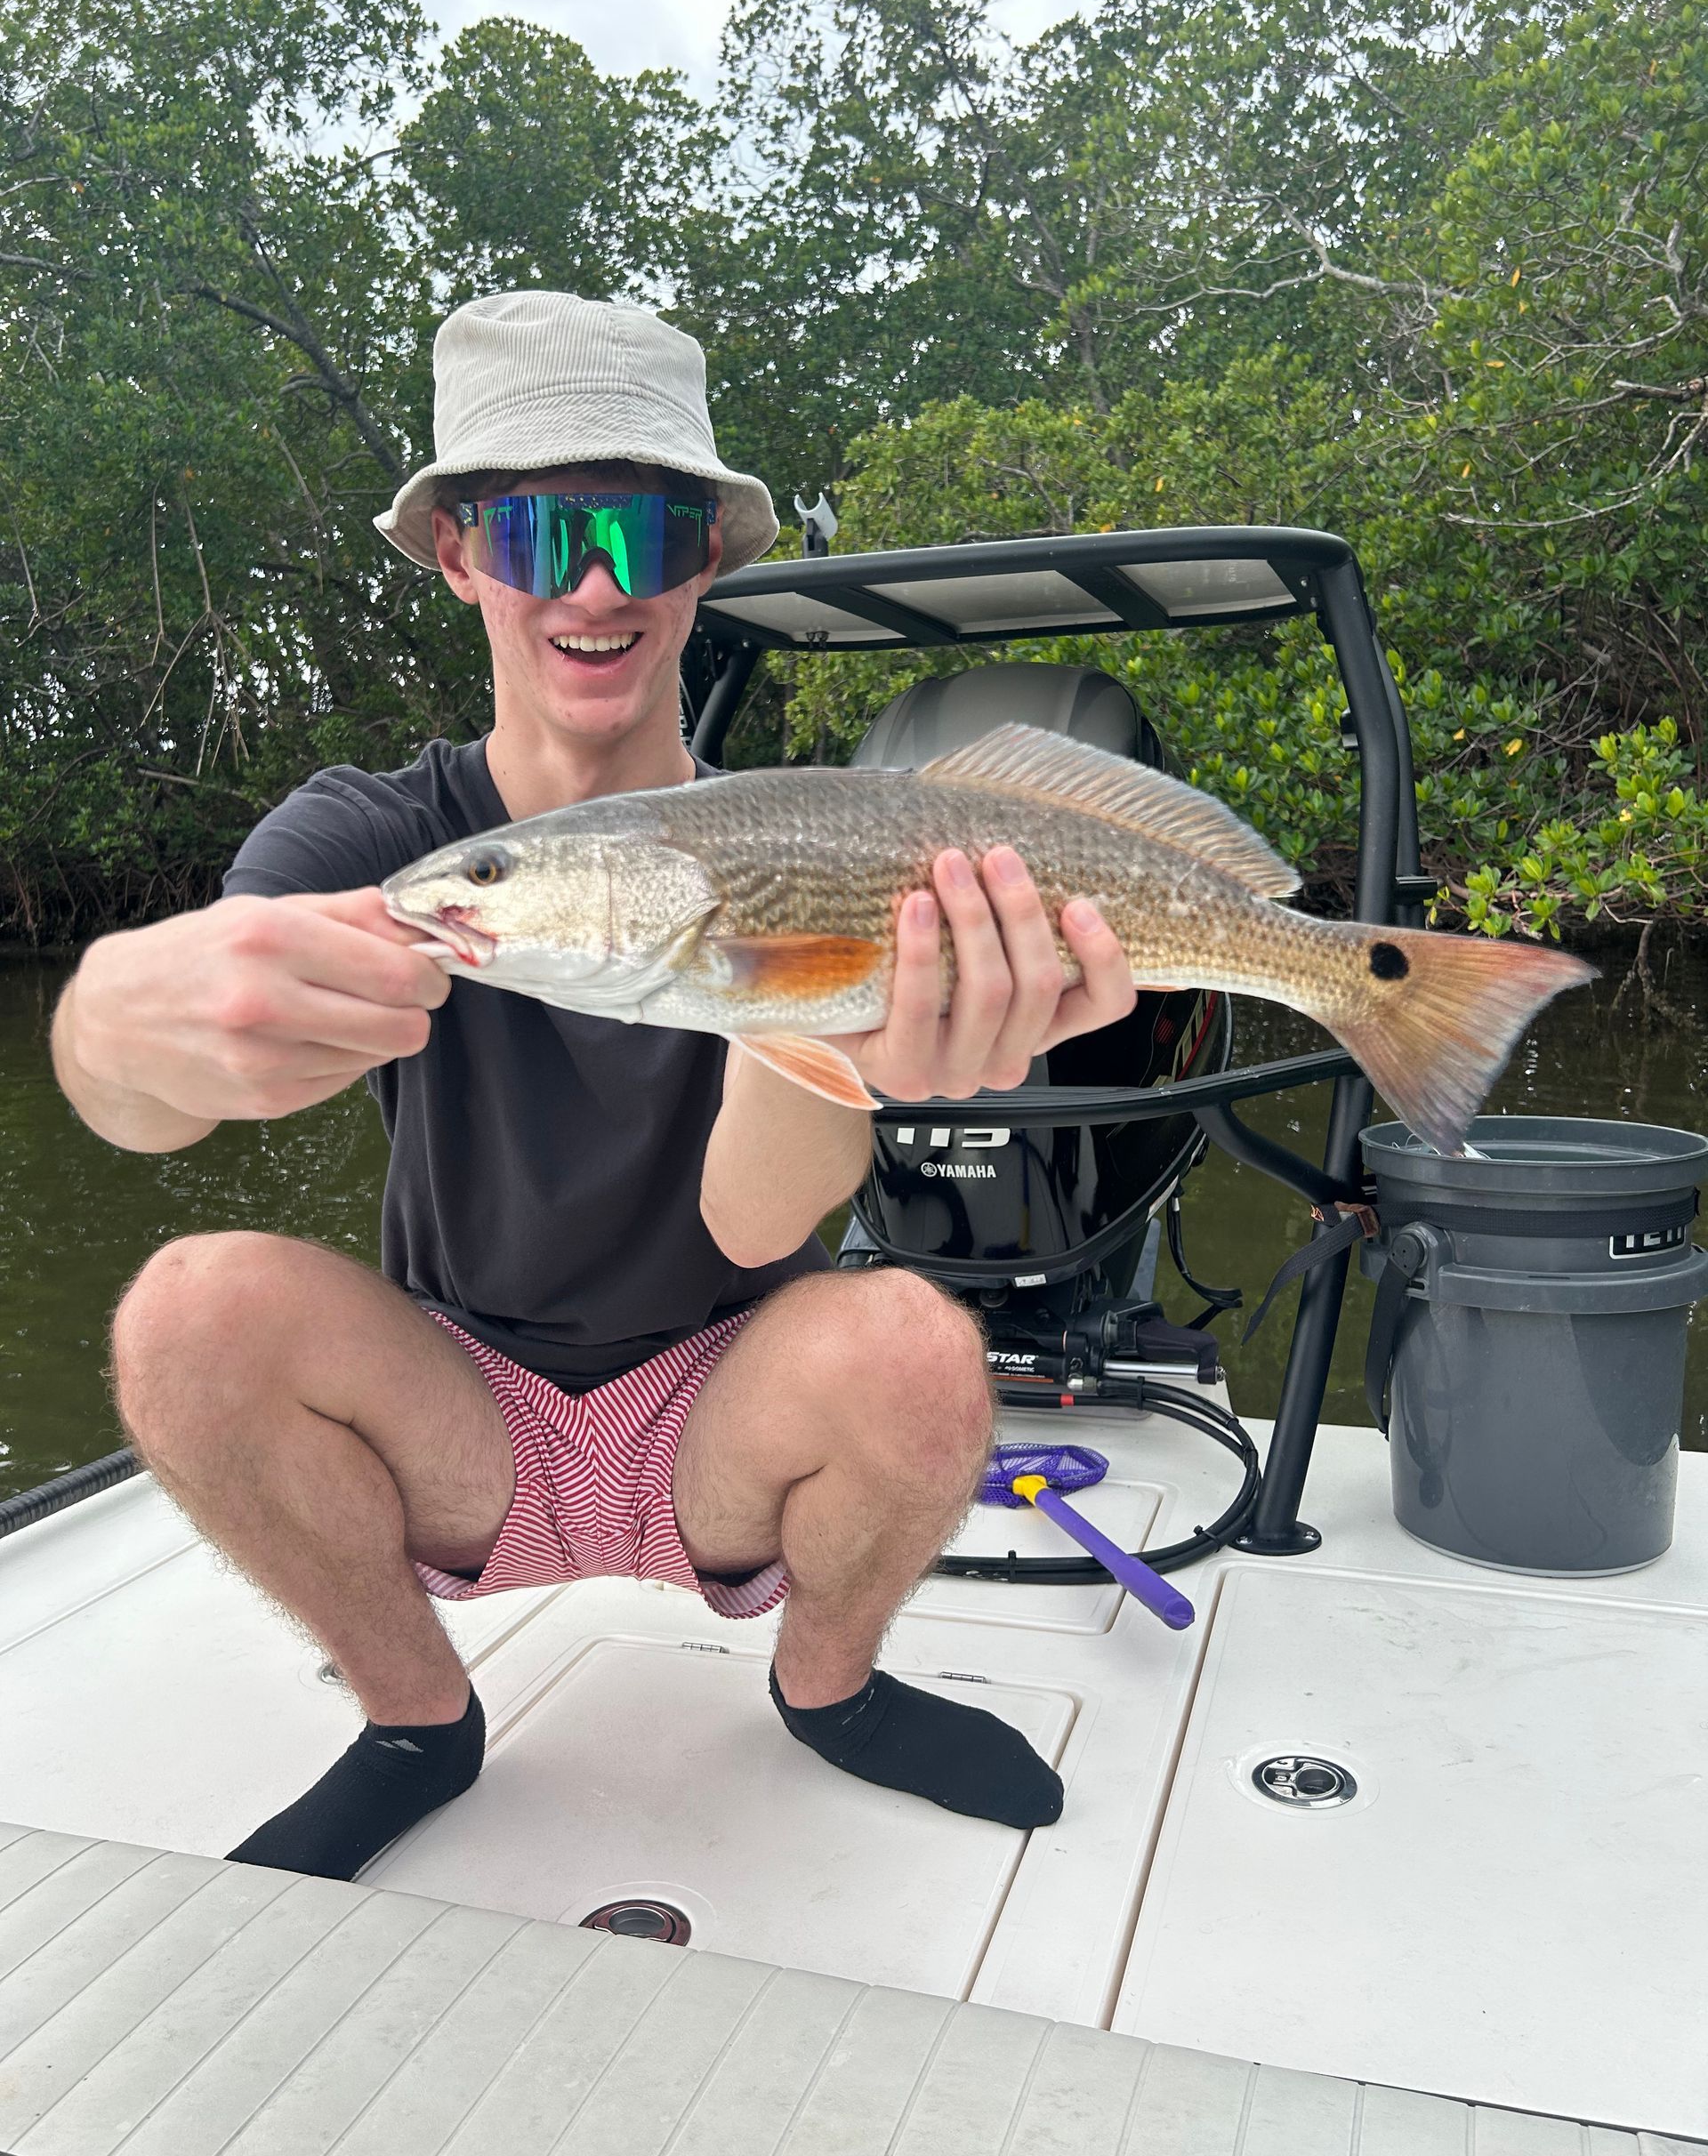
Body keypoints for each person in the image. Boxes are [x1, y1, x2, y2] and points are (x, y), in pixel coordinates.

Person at [50, 291, 1139, 1881]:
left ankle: (830, 1691)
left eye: (650, 533)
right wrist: (111, 1017)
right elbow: (165, 1088)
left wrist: (850, 1039)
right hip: (458, 1397)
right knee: (184, 1308)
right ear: (461, 556)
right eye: (544, 531)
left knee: (915, 1339)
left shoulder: (800, 840)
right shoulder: (378, 842)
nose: (597, 586)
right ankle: (419, 1720)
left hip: (727, 1401)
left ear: (709, 560)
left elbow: (757, 1221)